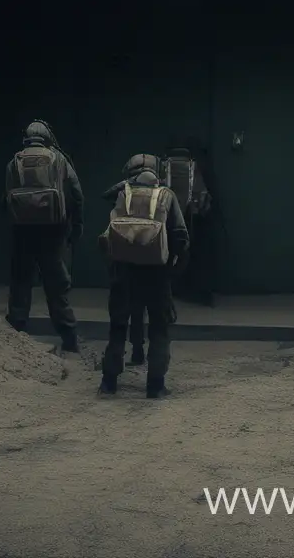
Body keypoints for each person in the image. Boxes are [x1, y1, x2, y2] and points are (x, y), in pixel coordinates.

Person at [97, 158, 189, 398]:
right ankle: (155, 386)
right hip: (157, 275)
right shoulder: (167, 196)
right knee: (159, 329)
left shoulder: (123, 195)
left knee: (118, 327)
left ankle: (108, 383)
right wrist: (171, 267)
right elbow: (181, 237)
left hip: (124, 273)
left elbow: (108, 235)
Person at [2, 120, 84, 352]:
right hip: (53, 231)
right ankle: (69, 339)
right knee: (56, 286)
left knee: (20, 282)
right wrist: (75, 226)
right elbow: (77, 195)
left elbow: (5, 198)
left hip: (22, 231)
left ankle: (16, 336)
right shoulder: (59, 159)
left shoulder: (14, 161)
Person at [100, 153, 162, 366]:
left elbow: (105, 195)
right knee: (148, 316)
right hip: (153, 266)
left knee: (119, 319)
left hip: (124, 264)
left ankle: (110, 377)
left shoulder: (122, 194)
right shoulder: (163, 194)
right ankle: (141, 356)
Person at [163, 137, 214, 305]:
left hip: (167, 219)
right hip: (192, 219)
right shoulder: (195, 168)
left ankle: (170, 289)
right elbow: (203, 197)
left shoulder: (165, 167)